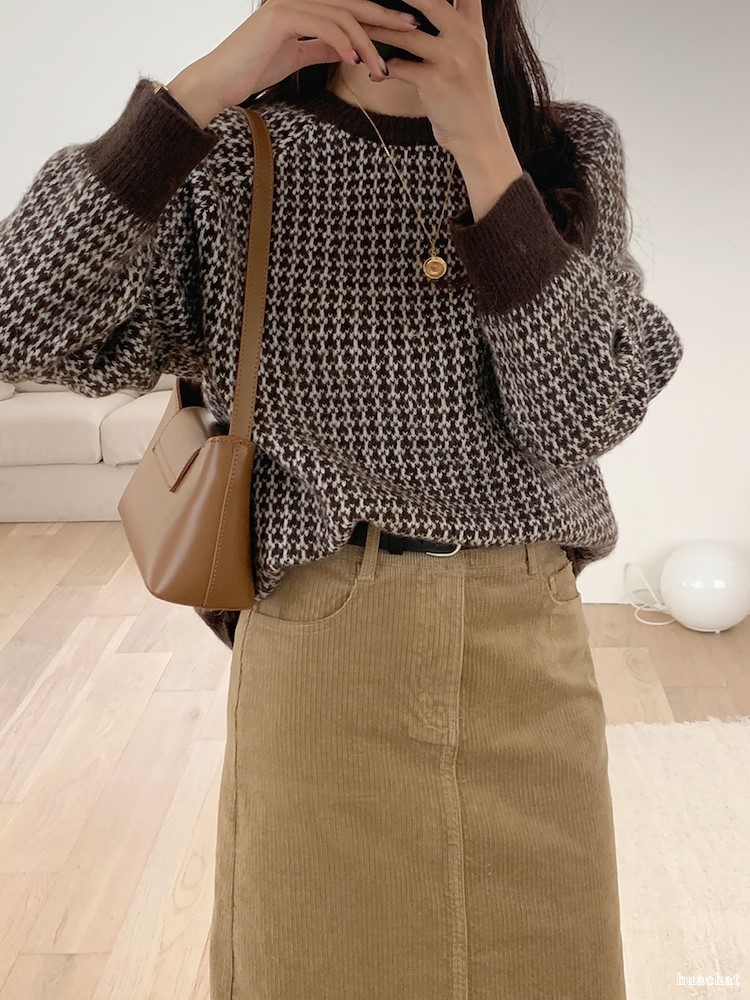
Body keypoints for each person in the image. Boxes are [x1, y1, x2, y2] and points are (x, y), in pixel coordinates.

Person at [0, 0, 684, 996]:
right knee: (313, 965)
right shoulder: (236, 160)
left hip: (527, 636)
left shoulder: (564, 149)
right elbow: (16, 323)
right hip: (324, 640)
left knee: (552, 968)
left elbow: (582, 410)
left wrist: (484, 147)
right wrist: (203, 88)